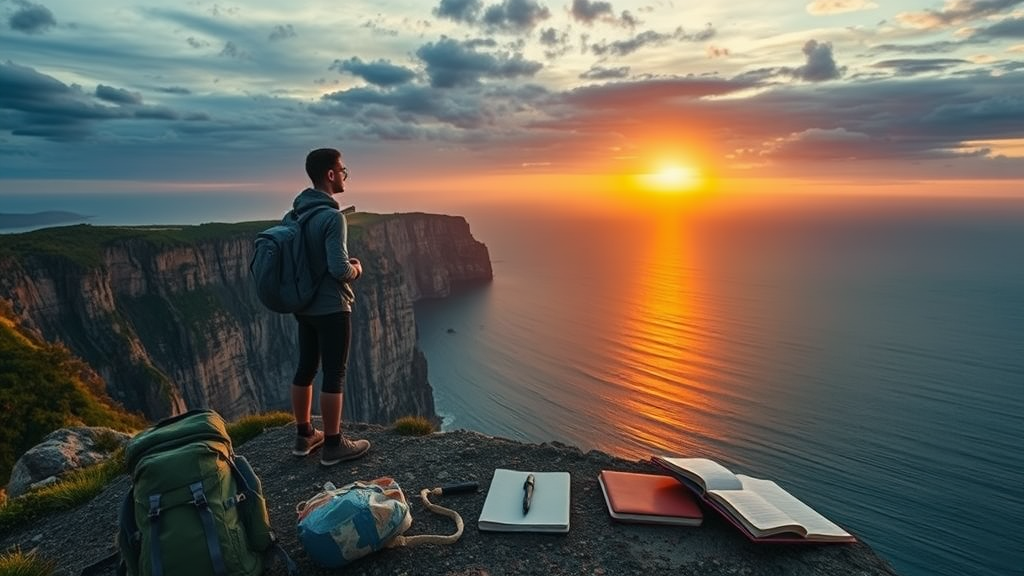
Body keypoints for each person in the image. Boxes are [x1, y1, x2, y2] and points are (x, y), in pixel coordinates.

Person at [289, 147, 370, 466]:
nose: (345, 176)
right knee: (334, 373)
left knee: (306, 367)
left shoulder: (297, 214)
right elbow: (338, 268)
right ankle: (334, 444)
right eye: (343, 171)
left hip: (304, 305)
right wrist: (357, 270)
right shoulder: (333, 217)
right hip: (332, 307)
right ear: (331, 174)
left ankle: (304, 435)